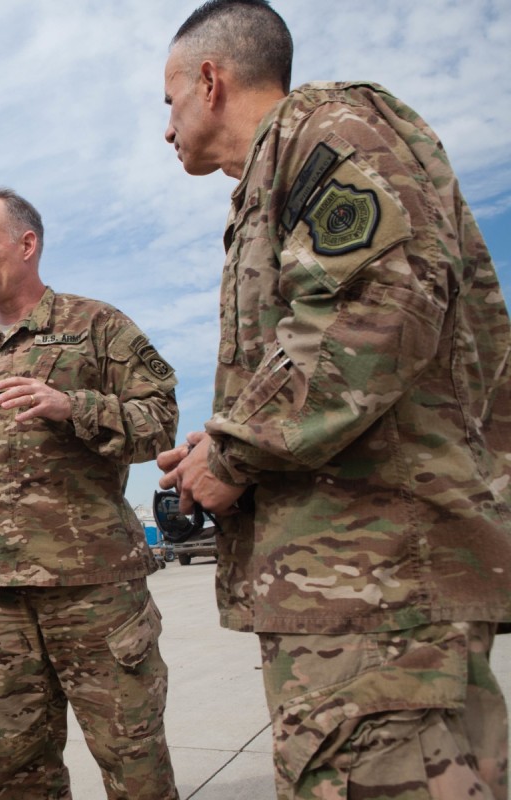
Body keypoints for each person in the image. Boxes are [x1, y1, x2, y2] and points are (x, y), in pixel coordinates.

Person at [157, 1, 511, 797]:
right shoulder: (274, 177)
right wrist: (218, 445)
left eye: (168, 101)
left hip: (381, 595)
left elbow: (377, 305)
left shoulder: (332, 129)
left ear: (210, 80)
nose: (165, 127)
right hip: (347, 595)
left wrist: (237, 449)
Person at [0, 188, 180, 800]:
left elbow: (159, 420)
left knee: (132, 761)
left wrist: (73, 405)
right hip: (2, 600)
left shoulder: (96, 327)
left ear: (27, 245)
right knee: (17, 773)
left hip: (94, 590)